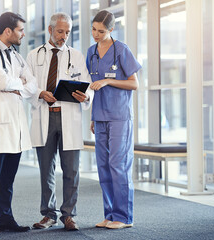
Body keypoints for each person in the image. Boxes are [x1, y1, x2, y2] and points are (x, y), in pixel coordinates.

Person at [26, 12, 93, 231]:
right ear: (50, 30)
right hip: (45, 115)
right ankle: (48, 214)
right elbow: (26, 86)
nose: (64, 36)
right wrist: (40, 93)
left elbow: (87, 85)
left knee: (71, 170)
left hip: (69, 116)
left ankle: (69, 215)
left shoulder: (76, 55)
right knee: (46, 169)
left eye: (67, 32)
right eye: (60, 31)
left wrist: (86, 96)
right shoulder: (33, 55)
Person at [0, 12, 37, 238]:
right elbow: (2, 82)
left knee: (8, 178)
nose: (23, 33)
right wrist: (19, 82)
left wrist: (18, 84)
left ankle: (4, 218)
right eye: (20, 30)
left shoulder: (16, 55)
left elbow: (32, 84)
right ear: (8, 31)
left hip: (16, 124)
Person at [86, 10, 141, 229]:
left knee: (118, 165)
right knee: (103, 166)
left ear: (111, 30)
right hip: (100, 116)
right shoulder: (91, 52)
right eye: (93, 29)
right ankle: (110, 214)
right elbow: (92, 87)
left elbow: (134, 83)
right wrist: (92, 117)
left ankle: (124, 217)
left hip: (119, 116)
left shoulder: (122, 50)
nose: (95, 34)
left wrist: (109, 82)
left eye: (101, 31)